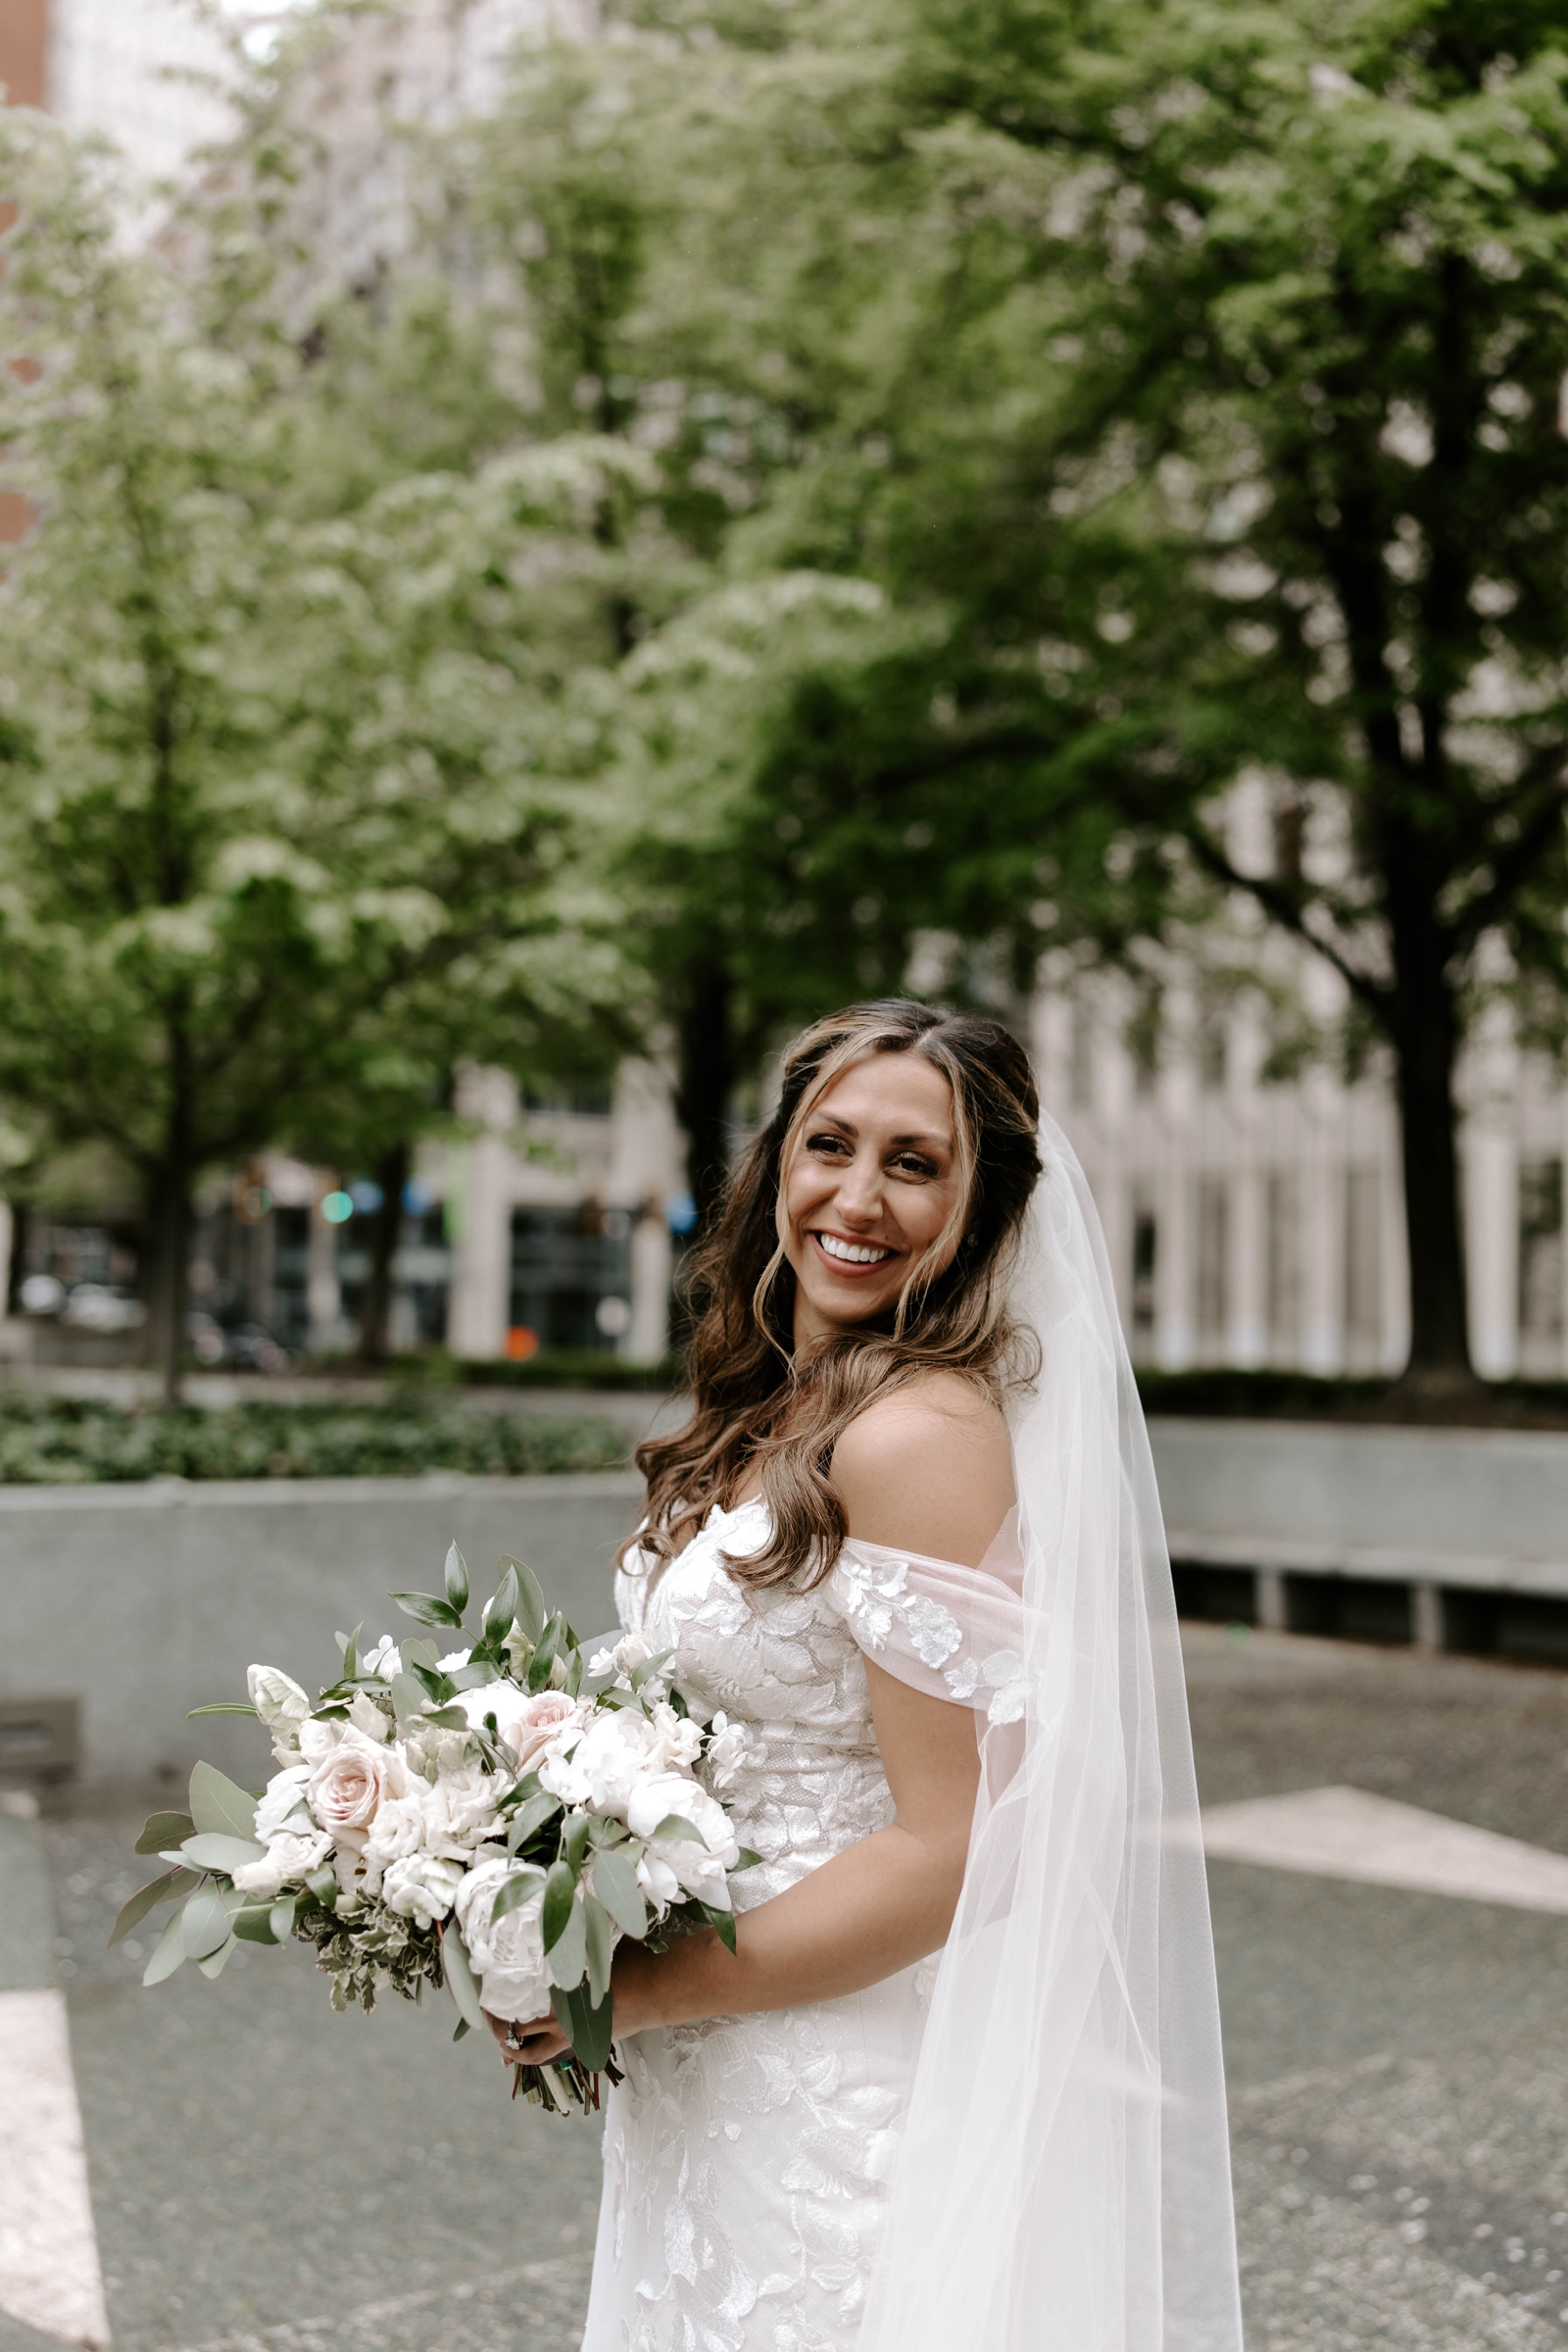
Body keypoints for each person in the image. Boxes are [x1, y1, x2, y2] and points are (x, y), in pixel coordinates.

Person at [488, 999, 1244, 2352]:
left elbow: (959, 1845)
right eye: (830, 1145)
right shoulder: (782, 1399)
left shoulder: (917, 1436)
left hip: (828, 2078)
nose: (857, 1198)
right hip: (718, 2058)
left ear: (980, 1209)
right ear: (778, 1162)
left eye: (915, 1164)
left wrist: (641, 1990)